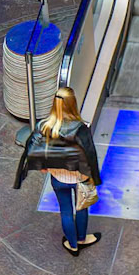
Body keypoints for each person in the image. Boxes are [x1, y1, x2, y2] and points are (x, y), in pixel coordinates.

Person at [40, 88, 101, 255]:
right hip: (79, 178)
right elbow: (90, 155)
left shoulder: (46, 127)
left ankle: (72, 245)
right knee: (81, 207)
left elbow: (40, 152)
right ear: (73, 104)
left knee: (65, 211)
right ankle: (82, 238)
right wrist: (95, 176)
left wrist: (44, 166)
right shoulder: (81, 129)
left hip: (58, 179)